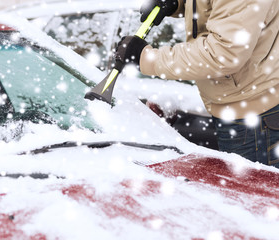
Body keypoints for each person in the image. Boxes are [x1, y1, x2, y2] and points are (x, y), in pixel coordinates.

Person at [115, 0, 279, 168]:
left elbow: (223, 54)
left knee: (250, 191)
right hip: (239, 105)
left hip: (254, 118)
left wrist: (147, 58)